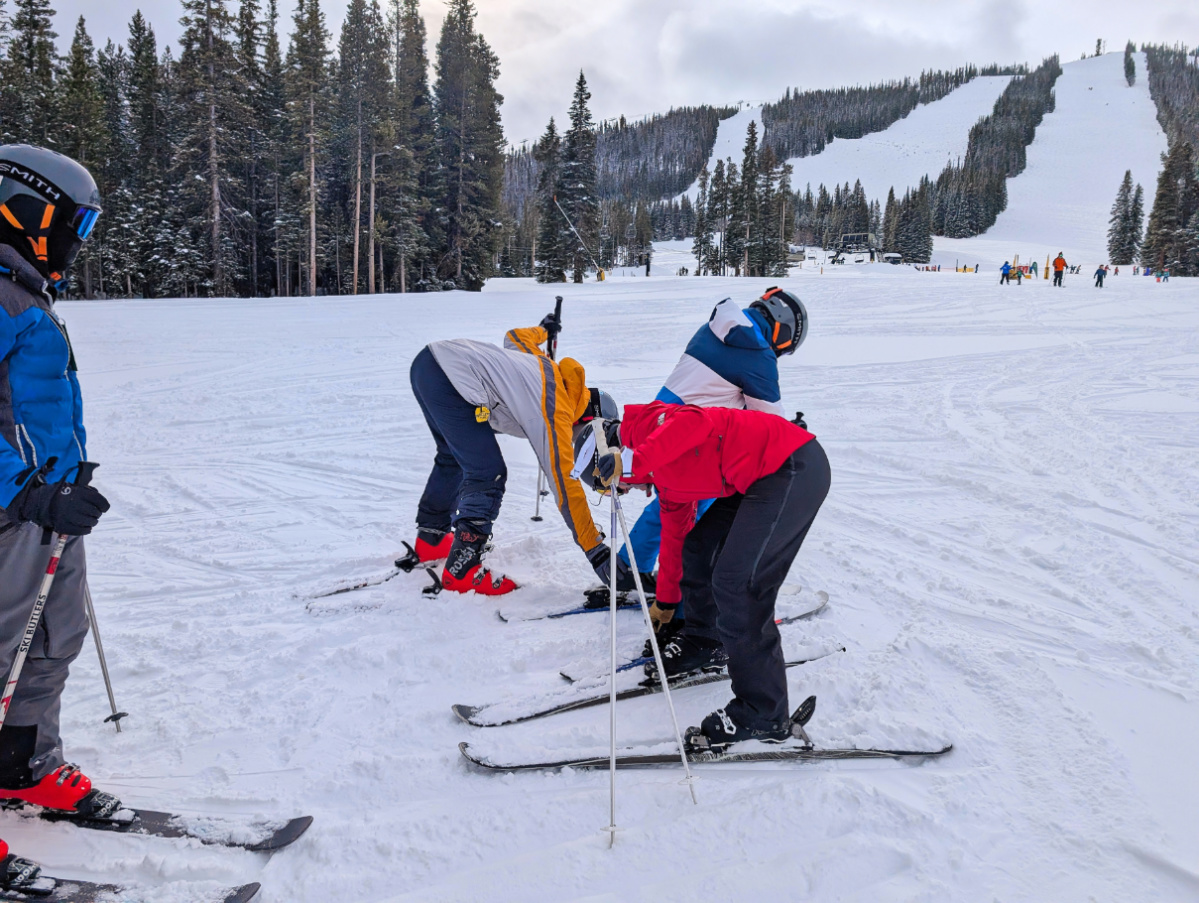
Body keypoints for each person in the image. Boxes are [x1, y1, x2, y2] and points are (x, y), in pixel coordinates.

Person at [0, 145, 119, 892]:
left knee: (54, 636)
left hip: (46, 504)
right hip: (11, 509)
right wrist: (25, 491)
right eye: (76, 222)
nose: (80, 239)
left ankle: (22, 766)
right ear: (29, 209)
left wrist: (65, 476)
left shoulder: (25, 293)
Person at [573, 402, 830, 750]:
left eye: (614, 484)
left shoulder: (652, 426)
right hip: (755, 480)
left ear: (612, 452)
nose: (623, 490)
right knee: (698, 548)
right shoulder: (662, 479)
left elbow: (695, 421)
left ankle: (763, 711)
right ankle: (707, 639)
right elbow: (675, 539)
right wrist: (666, 602)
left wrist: (633, 461)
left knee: (738, 584)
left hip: (791, 467)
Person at [404, 314, 627, 596]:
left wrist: (542, 330)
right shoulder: (557, 406)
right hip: (453, 379)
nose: (574, 443)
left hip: (429, 365)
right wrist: (595, 549)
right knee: (488, 473)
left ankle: (431, 540)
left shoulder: (543, 366)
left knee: (453, 457)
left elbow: (516, 337)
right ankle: (462, 570)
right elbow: (565, 483)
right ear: (589, 420)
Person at [616, 288, 807, 609]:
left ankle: (629, 568)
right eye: (786, 346)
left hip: (660, 423)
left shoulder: (718, 328)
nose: (780, 352)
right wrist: (793, 434)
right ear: (782, 330)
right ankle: (694, 585)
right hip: (690, 440)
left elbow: (718, 393)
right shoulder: (756, 352)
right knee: (701, 510)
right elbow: (768, 423)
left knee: (670, 504)